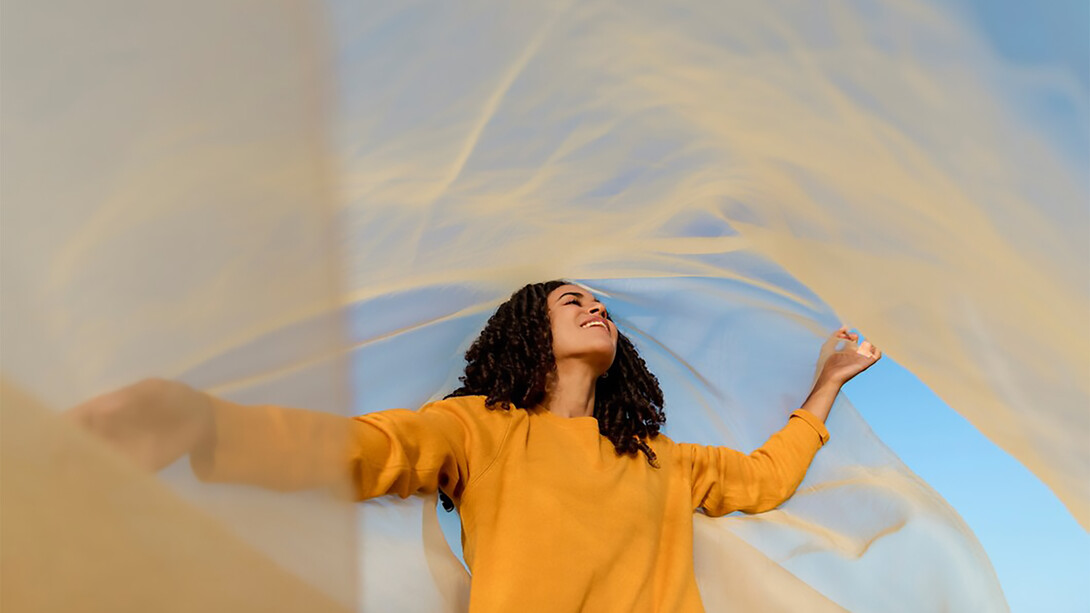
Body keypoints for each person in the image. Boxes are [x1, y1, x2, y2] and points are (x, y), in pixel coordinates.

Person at [68, 280, 881, 612]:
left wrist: (828, 383)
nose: (595, 307)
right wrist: (202, 423)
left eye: (600, 302)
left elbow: (766, 479)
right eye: (572, 300)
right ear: (528, 331)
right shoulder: (477, 427)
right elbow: (357, 450)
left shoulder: (663, 458)